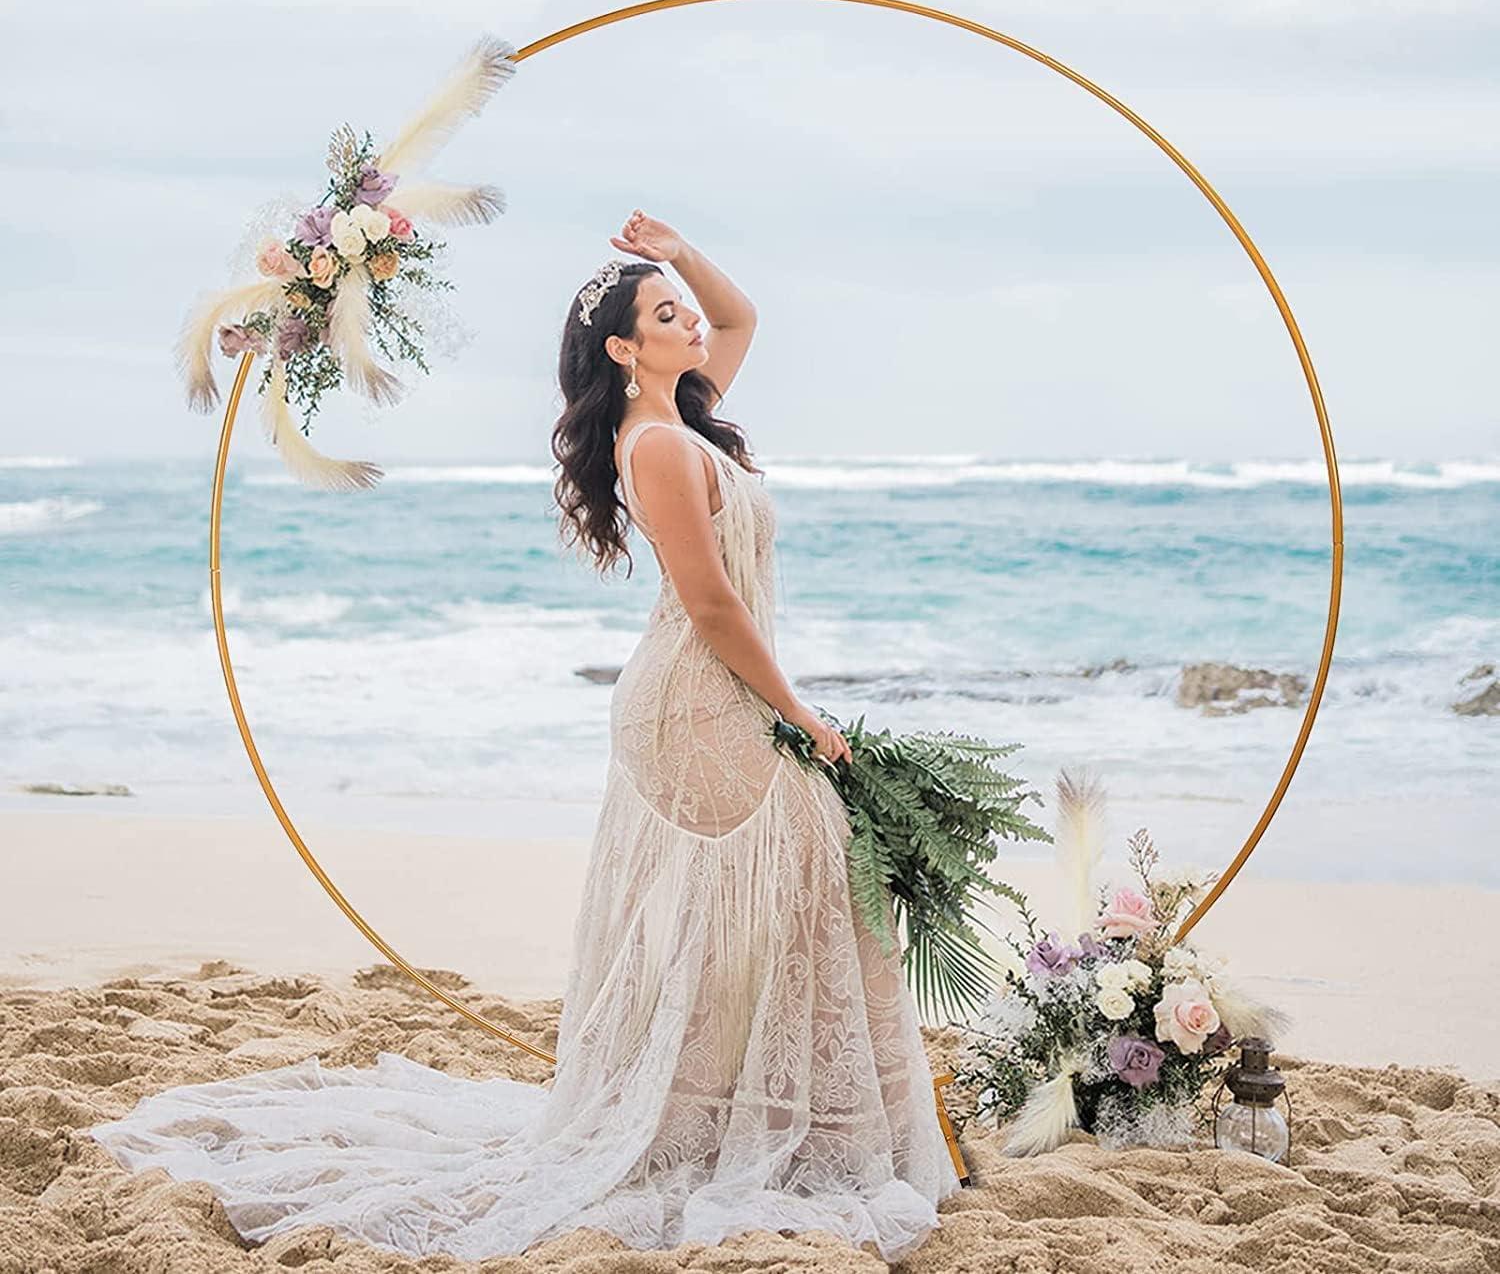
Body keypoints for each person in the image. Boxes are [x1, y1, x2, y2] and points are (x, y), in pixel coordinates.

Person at [86, 212, 961, 1262]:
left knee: (791, 886)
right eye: (664, 316)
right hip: (694, 702)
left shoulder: (689, 415)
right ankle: (706, 1122)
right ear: (624, 351)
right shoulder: (661, 448)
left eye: (682, 312)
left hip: (713, 693)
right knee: (789, 873)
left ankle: (738, 1112)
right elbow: (715, 608)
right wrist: (807, 718)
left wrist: (674, 253)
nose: (691, 322)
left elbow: (740, 312)